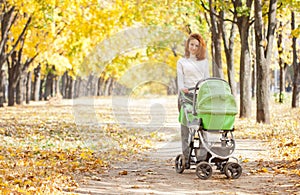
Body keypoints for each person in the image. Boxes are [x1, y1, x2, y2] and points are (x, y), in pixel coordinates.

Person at [176, 33, 210, 168]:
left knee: (202, 126)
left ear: (200, 47)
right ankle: (186, 156)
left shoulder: (204, 62)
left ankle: (202, 157)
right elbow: (180, 79)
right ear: (188, 45)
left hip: (200, 96)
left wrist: (203, 89)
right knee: (185, 127)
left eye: (197, 45)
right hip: (186, 95)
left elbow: (206, 78)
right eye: (192, 44)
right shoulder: (181, 62)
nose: (194, 48)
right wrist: (182, 88)